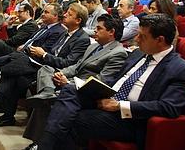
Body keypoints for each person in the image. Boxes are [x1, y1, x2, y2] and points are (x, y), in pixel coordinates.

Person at [36, 13, 185, 150]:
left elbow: (169, 107)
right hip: (108, 100)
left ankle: (43, 146)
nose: (136, 39)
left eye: (142, 36)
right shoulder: (138, 54)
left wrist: (119, 106)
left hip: (131, 118)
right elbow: (114, 79)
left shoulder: (182, 69)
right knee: (69, 91)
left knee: (72, 119)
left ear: (160, 40)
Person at [21, 14, 128, 150]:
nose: (95, 31)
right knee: (47, 69)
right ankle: (47, 92)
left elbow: (101, 81)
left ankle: (41, 141)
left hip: (84, 89)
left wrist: (68, 83)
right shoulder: (93, 46)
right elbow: (76, 66)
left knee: (52, 99)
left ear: (111, 32)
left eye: (99, 28)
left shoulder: (118, 53)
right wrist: (61, 73)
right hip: (71, 79)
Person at [0, 4, 90, 127]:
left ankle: (2, 105)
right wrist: (41, 55)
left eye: (69, 14)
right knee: (13, 67)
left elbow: (68, 63)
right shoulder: (66, 33)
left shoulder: (82, 39)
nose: (65, 15)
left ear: (78, 20)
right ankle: (4, 111)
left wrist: (43, 55)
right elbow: (52, 51)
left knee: (14, 68)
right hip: (42, 63)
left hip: (54, 70)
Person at [0, 4, 66, 101]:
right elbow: (29, 39)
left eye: (46, 12)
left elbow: (42, 49)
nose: (42, 14)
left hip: (31, 58)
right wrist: (11, 28)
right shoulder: (44, 27)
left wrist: (25, 47)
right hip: (21, 52)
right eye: (43, 11)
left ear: (55, 16)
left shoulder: (56, 31)